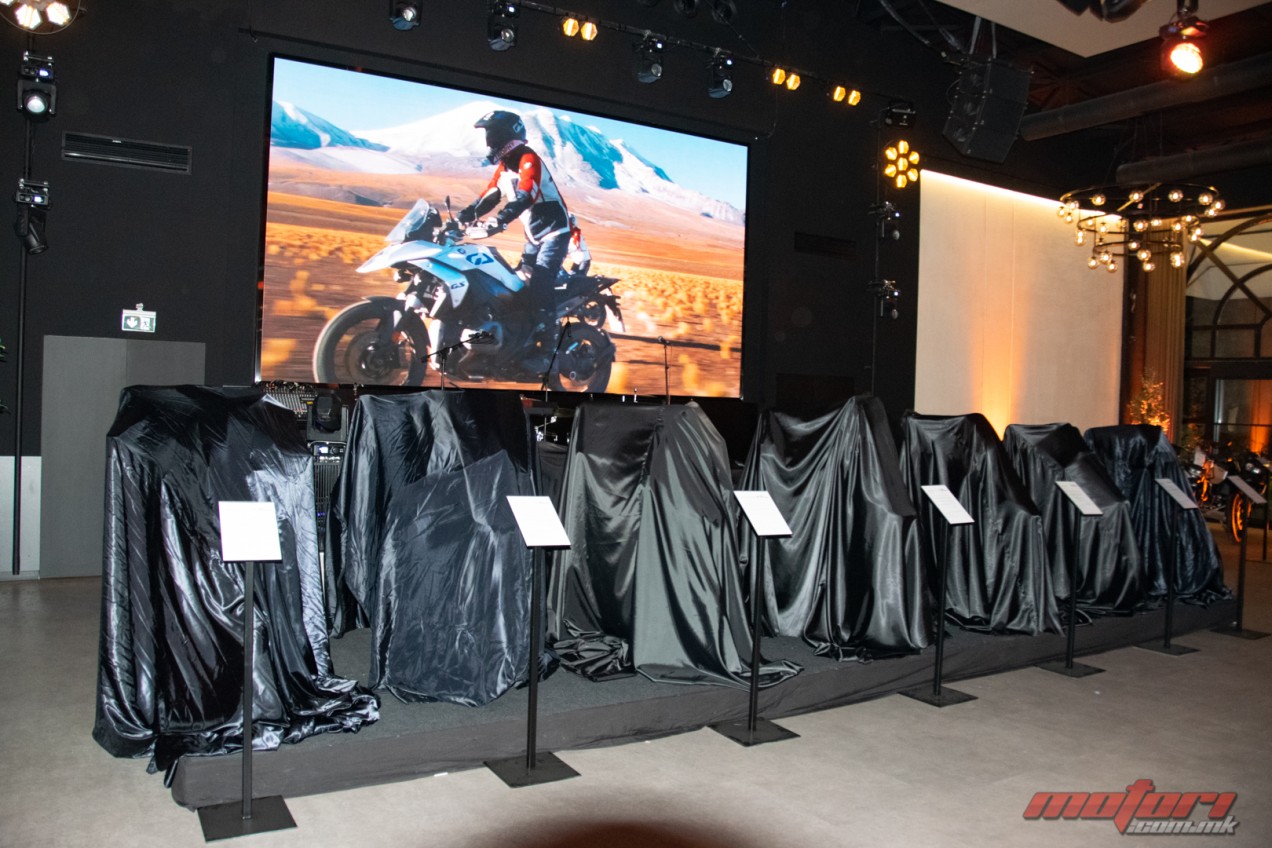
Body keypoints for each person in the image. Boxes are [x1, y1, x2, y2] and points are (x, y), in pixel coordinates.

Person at [457, 110, 570, 343]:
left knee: (540, 280)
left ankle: (549, 342)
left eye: (493, 134)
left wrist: (501, 219)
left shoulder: (528, 159)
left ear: (507, 135)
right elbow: (489, 196)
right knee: (517, 282)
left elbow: (526, 194)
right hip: (534, 236)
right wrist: (464, 215)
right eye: (488, 135)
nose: (489, 141)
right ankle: (519, 334)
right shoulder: (505, 166)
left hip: (554, 233)